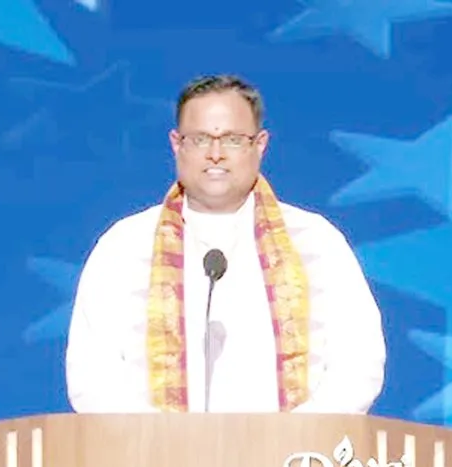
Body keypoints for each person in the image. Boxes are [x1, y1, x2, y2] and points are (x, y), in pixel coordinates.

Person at [65, 74, 385, 415]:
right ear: (177, 144)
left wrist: (297, 441)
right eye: (201, 139)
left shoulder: (316, 242)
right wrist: (158, 446)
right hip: (152, 460)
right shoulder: (125, 246)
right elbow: (92, 375)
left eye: (232, 139)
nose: (215, 154)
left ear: (259, 145)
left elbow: (358, 362)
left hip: (292, 460)